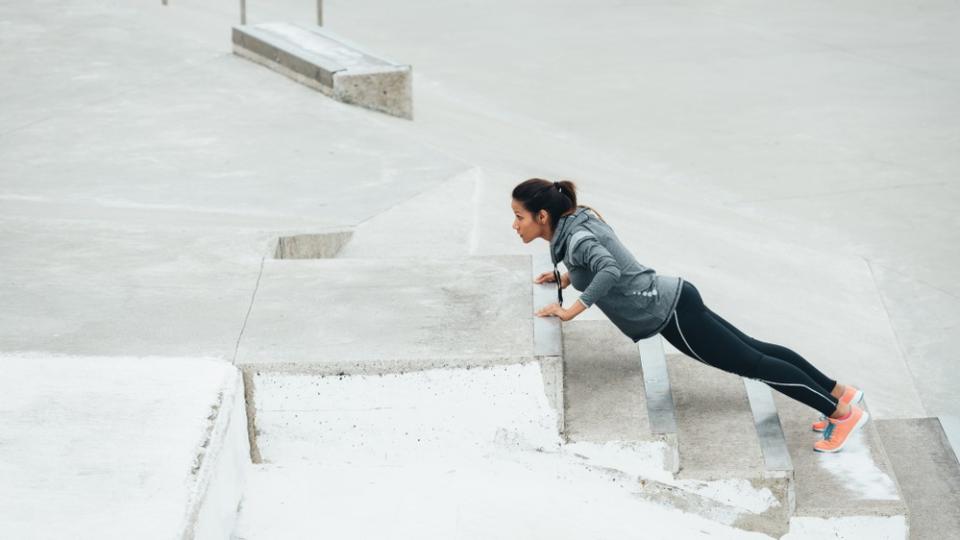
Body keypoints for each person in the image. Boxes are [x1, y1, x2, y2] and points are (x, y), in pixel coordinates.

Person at [511, 178, 868, 453]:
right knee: (758, 351)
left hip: (668, 312)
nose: (515, 225)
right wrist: (566, 276)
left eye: (518, 217)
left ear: (542, 217)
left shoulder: (574, 239)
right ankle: (841, 393)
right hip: (676, 296)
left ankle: (842, 414)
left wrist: (573, 308)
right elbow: (601, 261)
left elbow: (608, 270)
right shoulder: (577, 221)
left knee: (754, 364)